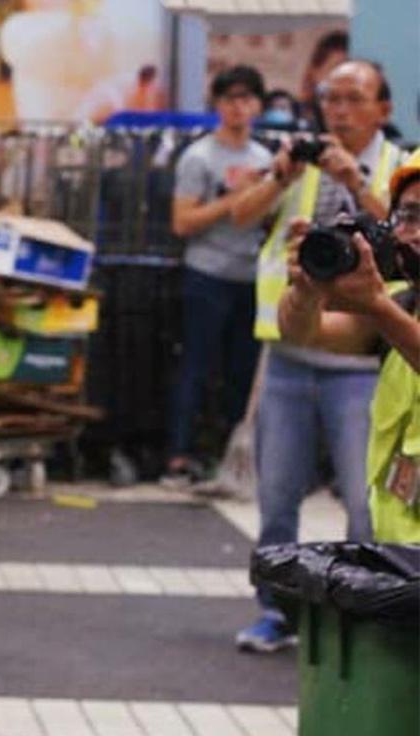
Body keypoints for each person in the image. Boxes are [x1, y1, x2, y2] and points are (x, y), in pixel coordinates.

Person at [227, 59, 403, 653]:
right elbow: (239, 215)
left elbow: (402, 237)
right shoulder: (296, 159)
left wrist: (356, 183)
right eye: (330, 98)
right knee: (276, 499)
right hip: (292, 351)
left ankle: (360, 614)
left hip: (360, 367)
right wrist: (280, 175)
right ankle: (276, 613)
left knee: (364, 503)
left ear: (384, 109)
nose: (341, 110)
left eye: (355, 98)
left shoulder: (398, 169)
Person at [278, 148, 420, 541]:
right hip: (398, 554)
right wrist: (306, 291)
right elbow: (303, 333)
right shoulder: (404, 304)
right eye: (409, 216)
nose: (417, 233)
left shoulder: (389, 311)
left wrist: (376, 305)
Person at [160, 65, 275, 488]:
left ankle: (231, 458)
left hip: (252, 278)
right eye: (230, 99)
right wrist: (233, 198)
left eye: (247, 99)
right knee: (195, 367)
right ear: (217, 105)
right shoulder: (199, 157)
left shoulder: (265, 159)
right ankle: (178, 454)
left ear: (258, 106)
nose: (238, 107)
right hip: (206, 276)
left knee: (243, 375)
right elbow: (182, 222)